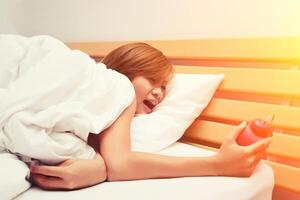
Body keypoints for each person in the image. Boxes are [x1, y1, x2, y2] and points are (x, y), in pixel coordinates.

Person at [30, 43, 272, 190]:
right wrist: (217, 165)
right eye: (151, 79)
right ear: (125, 71)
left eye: (164, 87)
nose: (158, 92)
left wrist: (99, 165)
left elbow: (103, 150)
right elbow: (120, 164)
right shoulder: (119, 86)